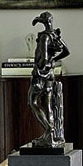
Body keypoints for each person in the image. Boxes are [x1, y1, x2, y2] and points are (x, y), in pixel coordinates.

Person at [28, 11, 70, 145]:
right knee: (47, 105)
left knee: (33, 102)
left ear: (43, 22)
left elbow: (44, 58)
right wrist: (54, 61)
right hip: (50, 74)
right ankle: (50, 137)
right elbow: (66, 51)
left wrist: (39, 68)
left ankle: (48, 129)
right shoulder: (55, 35)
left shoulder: (45, 37)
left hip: (41, 75)